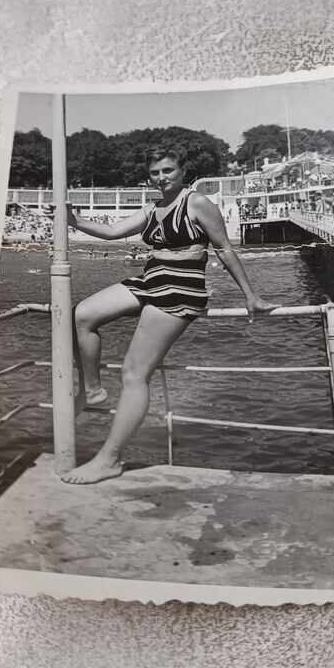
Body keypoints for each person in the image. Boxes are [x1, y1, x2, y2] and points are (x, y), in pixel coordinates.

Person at [61, 145, 276, 485]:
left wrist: (251, 296)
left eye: (167, 171)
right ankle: (93, 390)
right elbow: (113, 232)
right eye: (155, 173)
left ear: (182, 172)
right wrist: (74, 221)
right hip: (150, 280)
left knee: (134, 373)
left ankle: (109, 460)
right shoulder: (153, 209)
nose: (160, 178)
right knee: (82, 314)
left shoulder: (197, 203)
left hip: (179, 289)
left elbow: (224, 249)